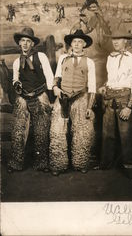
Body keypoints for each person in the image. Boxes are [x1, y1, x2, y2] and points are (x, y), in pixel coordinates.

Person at [49, 29, 96, 176]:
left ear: (84, 45)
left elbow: (93, 86)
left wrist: (89, 106)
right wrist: (55, 88)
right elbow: (57, 77)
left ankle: (80, 162)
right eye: (74, 41)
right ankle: (58, 164)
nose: (76, 44)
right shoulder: (63, 58)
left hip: (80, 98)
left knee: (82, 132)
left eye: (80, 42)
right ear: (71, 44)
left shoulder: (89, 62)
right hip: (63, 98)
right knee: (57, 131)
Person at [98, 24, 132, 180]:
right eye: (114, 39)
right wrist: (104, 86)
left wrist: (129, 107)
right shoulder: (110, 57)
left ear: (126, 41)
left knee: (126, 135)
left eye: (119, 39)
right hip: (110, 99)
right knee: (107, 133)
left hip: (124, 100)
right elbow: (112, 79)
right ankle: (106, 164)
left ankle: (130, 168)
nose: (115, 42)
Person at [7, 27, 54, 173]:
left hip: (40, 95)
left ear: (32, 44)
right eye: (23, 41)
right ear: (19, 43)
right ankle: (16, 163)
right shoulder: (17, 62)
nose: (25, 44)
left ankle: (41, 163)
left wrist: (51, 100)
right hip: (23, 97)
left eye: (28, 41)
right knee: (18, 130)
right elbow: (15, 78)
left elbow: (50, 78)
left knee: (41, 130)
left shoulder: (41, 57)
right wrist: (17, 84)